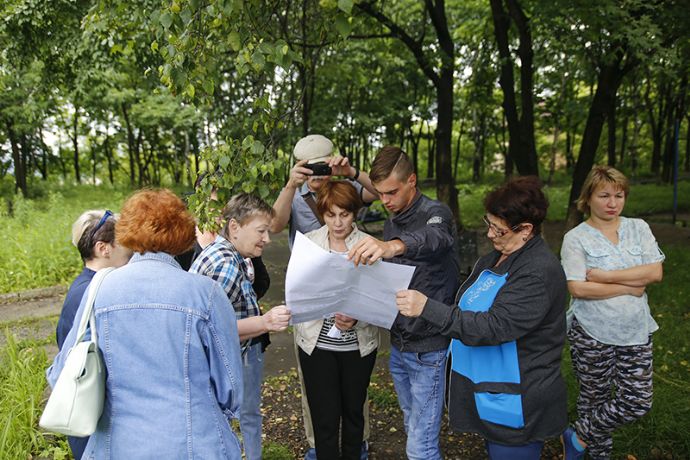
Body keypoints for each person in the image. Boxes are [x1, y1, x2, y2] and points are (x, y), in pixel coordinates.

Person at [47, 189, 244, 458]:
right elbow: (230, 388)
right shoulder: (206, 293)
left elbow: (60, 374)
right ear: (183, 234)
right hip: (194, 443)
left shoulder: (99, 289)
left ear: (126, 233)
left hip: (116, 445)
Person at [395, 176, 568, 459]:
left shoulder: (538, 271)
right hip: (490, 391)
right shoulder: (495, 258)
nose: (489, 235)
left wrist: (428, 308)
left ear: (525, 229)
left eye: (498, 230)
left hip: (518, 398)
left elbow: (493, 326)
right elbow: (469, 303)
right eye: (489, 224)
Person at [348, 146, 459, 460]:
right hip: (400, 345)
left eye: (392, 192)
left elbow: (435, 238)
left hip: (430, 347)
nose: (385, 201)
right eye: (380, 193)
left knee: (420, 447)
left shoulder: (437, 213)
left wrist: (392, 246)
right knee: (413, 427)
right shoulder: (392, 221)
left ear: (412, 180)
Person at [270, 134, 378, 459]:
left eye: (322, 164)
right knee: (319, 401)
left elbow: (378, 193)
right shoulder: (298, 196)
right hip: (314, 322)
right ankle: (319, 446)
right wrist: (291, 183)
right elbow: (276, 223)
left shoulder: (347, 190)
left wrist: (351, 171)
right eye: (310, 167)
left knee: (354, 404)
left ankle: (356, 447)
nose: (338, 220)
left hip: (355, 338)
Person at [559, 166, 664, 460]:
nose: (612, 203)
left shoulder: (638, 228)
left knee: (638, 400)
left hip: (635, 329)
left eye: (619, 195)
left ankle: (578, 434)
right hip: (591, 332)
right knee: (595, 399)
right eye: (604, 195)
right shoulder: (576, 238)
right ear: (588, 198)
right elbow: (578, 289)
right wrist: (630, 287)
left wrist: (604, 277)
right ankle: (594, 455)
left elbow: (655, 272)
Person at [190, 192, 291, 460]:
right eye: (261, 231)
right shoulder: (225, 266)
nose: (267, 239)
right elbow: (212, 331)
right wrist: (265, 322)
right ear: (234, 227)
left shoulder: (227, 253)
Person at [295, 181, 380, 460]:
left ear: (354, 213)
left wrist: (357, 316)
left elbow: (380, 298)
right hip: (316, 345)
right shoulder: (309, 244)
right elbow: (297, 294)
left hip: (357, 346)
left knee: (354, 413)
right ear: (323, 214)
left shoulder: (369, 245)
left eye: (344, 214)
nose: (338, 222)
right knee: (324, 417)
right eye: (331, 215)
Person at [55, 209, 133, 460]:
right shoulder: (91, 293)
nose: (130, 250)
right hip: (90, 416)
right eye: (123, 243)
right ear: (103, 248)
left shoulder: (90, 285)